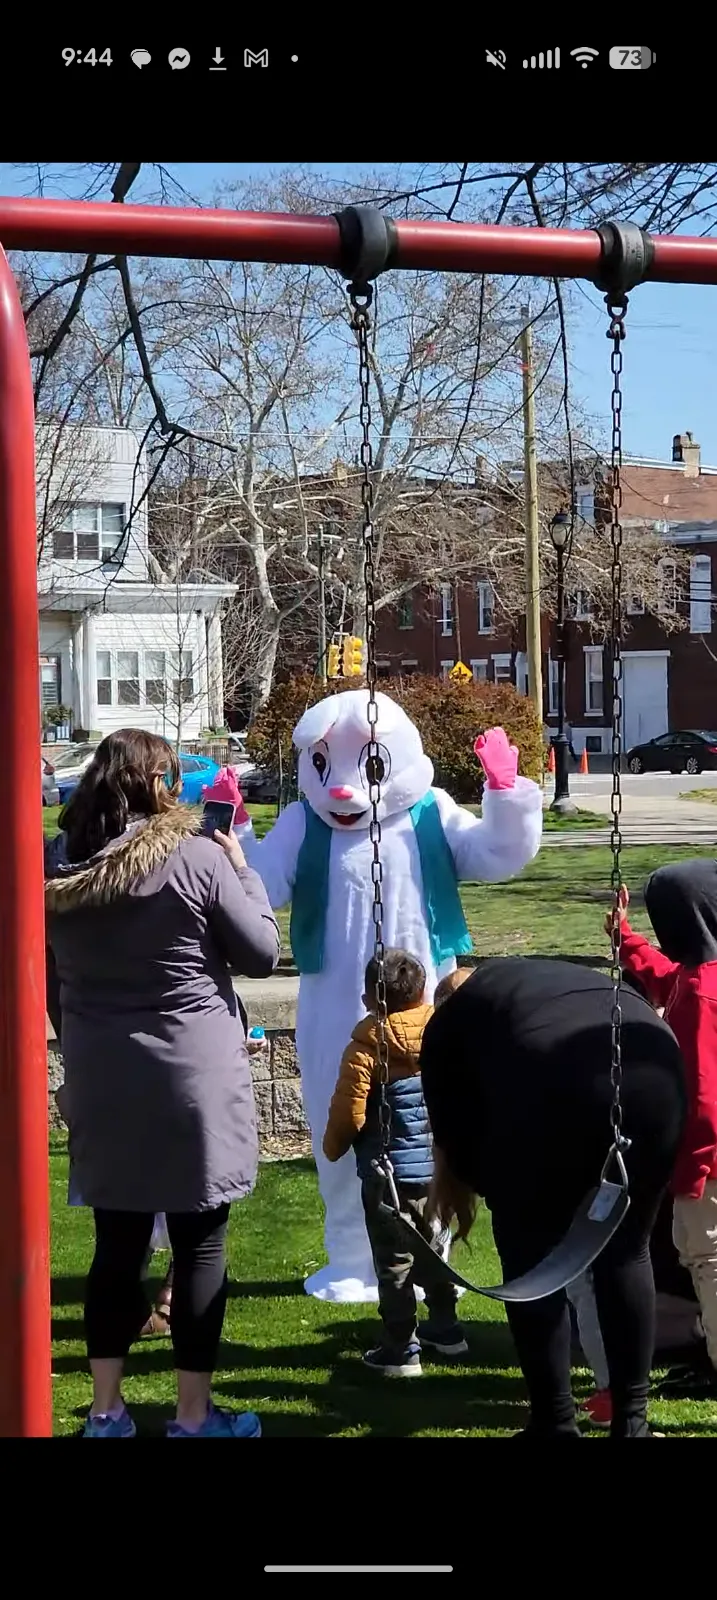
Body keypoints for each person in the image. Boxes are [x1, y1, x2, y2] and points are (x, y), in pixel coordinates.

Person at [236, 690, 543, 1303]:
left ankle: (431, 1254)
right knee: (340, 1122)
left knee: (429, 1129)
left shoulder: (430, 812)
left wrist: (508, 797)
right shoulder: (302, 823)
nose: (343, 790)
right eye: (323, 769)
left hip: (426, 1007)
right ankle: (352, 1256)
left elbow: (495, 854)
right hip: (335, 1008)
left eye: (367, 768)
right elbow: (262, 884)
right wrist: (239, 829)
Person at [44, 729, 280, 1438]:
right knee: (199, 1244)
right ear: (160, 783)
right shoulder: (199, 855)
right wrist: (242, 869)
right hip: (191, 1073)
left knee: (114, 1244)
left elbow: (53, 981)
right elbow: (261, 952)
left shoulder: (57, 864)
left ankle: (107, 1411)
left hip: (102, 1071)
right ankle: (191, 1415)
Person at [420, 957, 687, 1438]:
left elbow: (453, 1137)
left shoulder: (448, 1028)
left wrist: (497, 1190)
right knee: (628, 1251)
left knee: (529, 1255)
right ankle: (633, 1422)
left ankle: (554, 1421)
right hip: (655, 1060)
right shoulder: (527, 984)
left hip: (555, 1069)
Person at [323, 949, 466, 1375]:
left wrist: (333, 1147)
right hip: (437, 1170)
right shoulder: (441, 1034)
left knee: (394, 1260)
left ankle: (401, 1346)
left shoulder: (365, 1048)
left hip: (388, 1177)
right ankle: (446, 1327)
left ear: (369, 999)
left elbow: (349, 1114)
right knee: (436, 1248)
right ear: (423, 992)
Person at [611, 863, 717, 1396]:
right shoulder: (696, 978)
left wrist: (692, 1167)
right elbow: (660, 974)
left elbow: (702, 1096)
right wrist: (624, 937)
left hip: (710, 1164)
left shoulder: (699, 993)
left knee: (708, 1262)